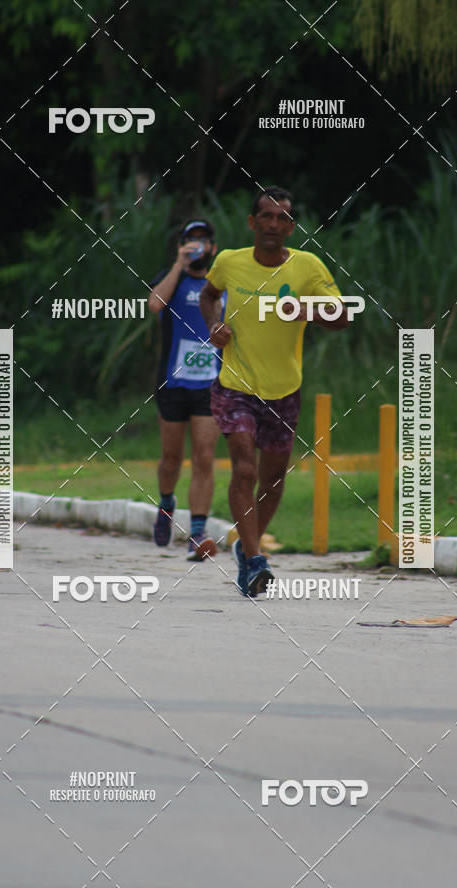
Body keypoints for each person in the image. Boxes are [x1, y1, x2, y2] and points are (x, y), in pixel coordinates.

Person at [199, 186, 349, 597]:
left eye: (282, 218)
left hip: (284, 390)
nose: (273, 224)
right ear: (252, 223)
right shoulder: (229, 262)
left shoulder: (307, 267)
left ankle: (246, 555)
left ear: (291, 227)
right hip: (235, 385)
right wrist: (215, 325)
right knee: (244, 469)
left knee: (272, 480)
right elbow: (209, 294)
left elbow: (342, 316)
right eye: (266, 216)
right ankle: (257, 558)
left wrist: (309, 310)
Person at [148, 218, 225, 561]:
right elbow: (154, 305)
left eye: (203, 241)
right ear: (181, 245)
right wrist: (179, 265)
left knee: (205, 457)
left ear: (213, 248)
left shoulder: (223, 284)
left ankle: (197, 533)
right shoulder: (173, 279)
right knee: (171, 459)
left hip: (210, 384)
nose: (197, 246)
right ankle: (166, 504)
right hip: (173, 383)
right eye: (190, 240)